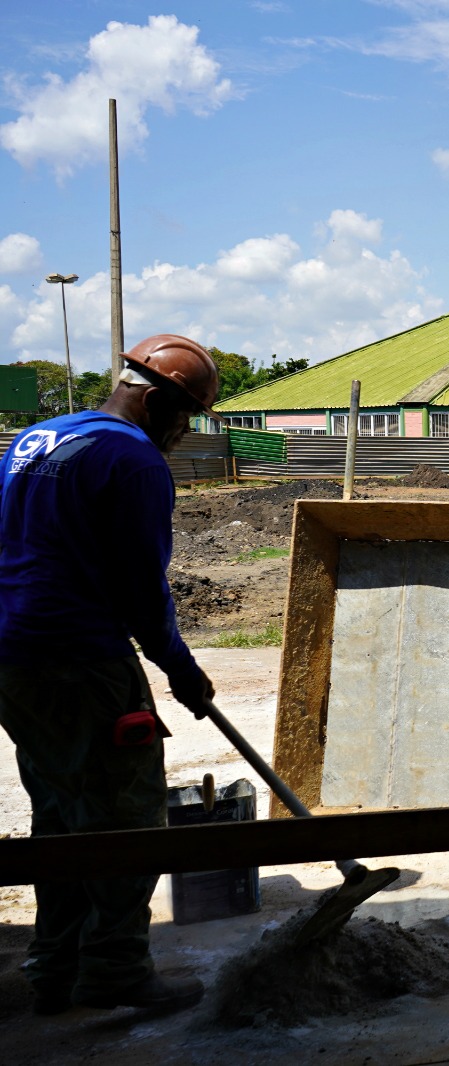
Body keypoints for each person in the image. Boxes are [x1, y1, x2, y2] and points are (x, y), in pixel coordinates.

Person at [0, 334, 220, 1016]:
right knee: (127, 817)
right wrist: (181, 671)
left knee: (62, 815)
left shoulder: (36, 439)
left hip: (16, 660)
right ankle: (115, 972)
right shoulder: (133, 460)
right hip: (80, 662)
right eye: (182, 419)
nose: (181, 435)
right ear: (154, 400)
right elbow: (139, 590)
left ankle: (53, 969)